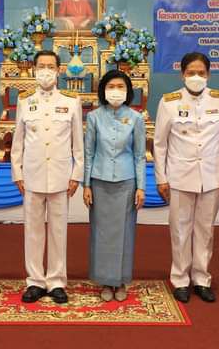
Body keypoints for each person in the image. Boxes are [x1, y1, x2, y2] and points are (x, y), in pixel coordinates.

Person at [154, 52, 219, 304]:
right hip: (179, 176)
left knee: (205, 231)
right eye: (191, 73)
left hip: (211, 176)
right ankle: (180, 280)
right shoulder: (169, 102)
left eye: (201, 72)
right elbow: (160, 144)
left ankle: (201, 279)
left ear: (208, 74)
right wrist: (161, 178)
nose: (196, 77)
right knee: (180, 231)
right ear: (182, 75)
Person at [11, 50, 84, 304]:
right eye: (41, 66)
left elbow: (78, 143)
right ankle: (34, 281)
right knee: (32, 231)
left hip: (61, 176)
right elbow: (17, 142)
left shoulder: (71, 101)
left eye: (50, 66)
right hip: (32, 175)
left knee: (58, 231)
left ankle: (56, 281)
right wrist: (17, 172)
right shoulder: (25, 101)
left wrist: (76, 174)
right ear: (33, 69)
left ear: (59, 70)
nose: (45, 71)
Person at [83, 70, 146, 302]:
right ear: (103, 90)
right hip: (99, 182)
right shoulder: (94, 117)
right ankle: (104, 280)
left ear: (128, 91)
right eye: (111, 86)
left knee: (124, 233)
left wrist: (141, 187)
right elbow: (89, 153)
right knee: (101, 233)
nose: (116, 91)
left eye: (121, 87)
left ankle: (120, 281)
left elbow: (140, 155)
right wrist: (86, 184)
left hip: (126, 182)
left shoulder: (136, 118)